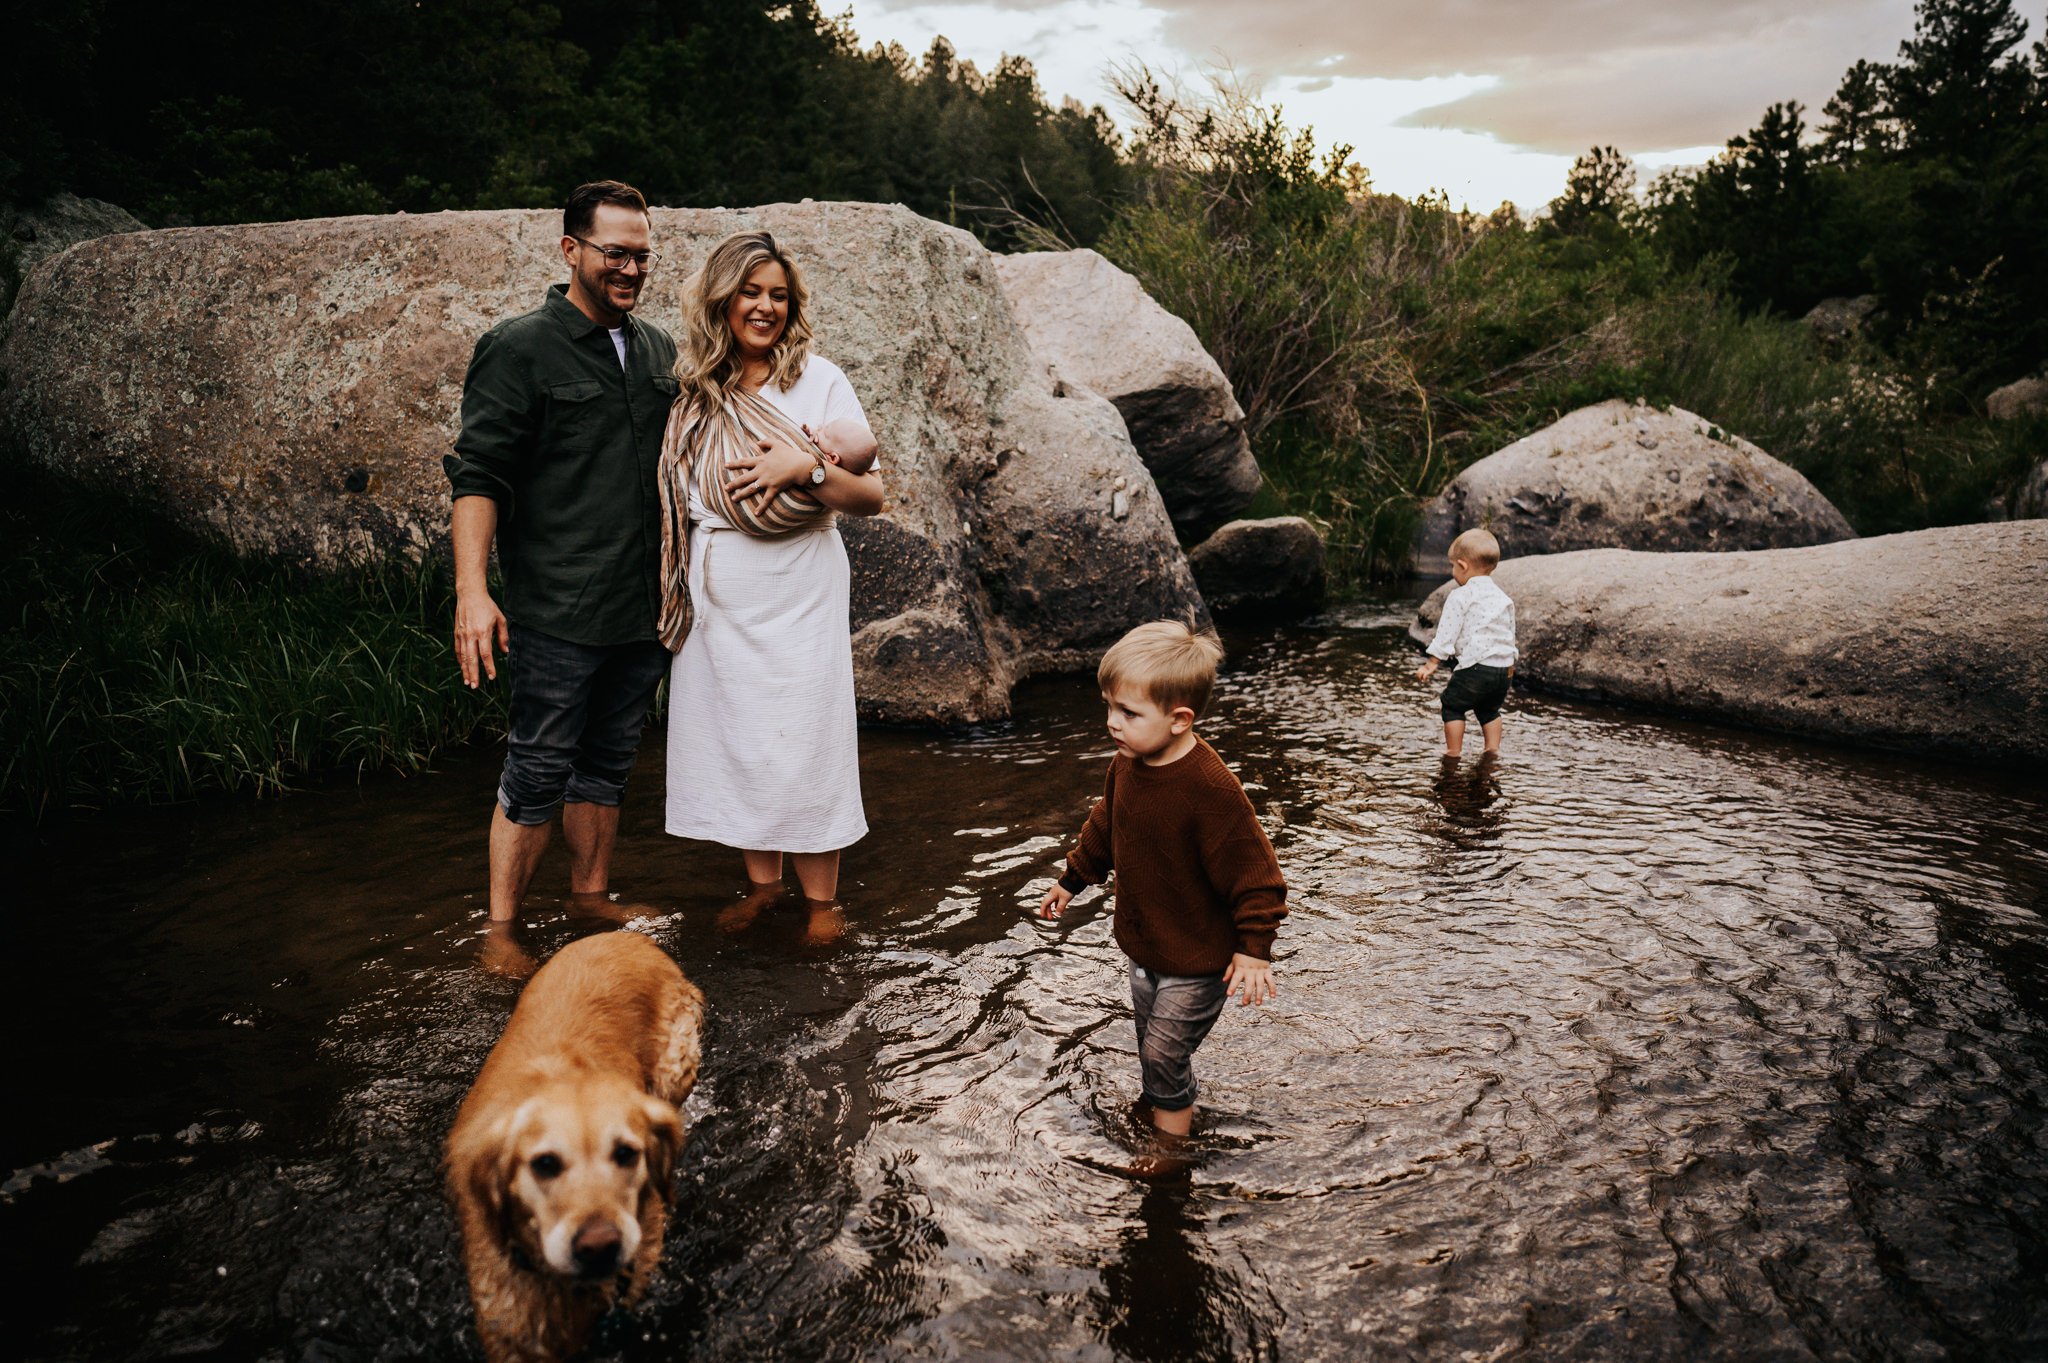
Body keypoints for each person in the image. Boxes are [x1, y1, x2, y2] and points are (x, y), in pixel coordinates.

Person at [444, 180, 680, 935]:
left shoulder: (657, 349)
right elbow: (479, 476)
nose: (632, 269)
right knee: (538, 769)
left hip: (639, 610)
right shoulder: (517, 349)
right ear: (571, 249)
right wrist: (473, 594)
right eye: (616, 253)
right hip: (555, 612)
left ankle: (588, 898)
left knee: (608, 765)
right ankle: (502, 932)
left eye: (642, 255)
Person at [657, 231, 885, 934]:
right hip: (721, 593)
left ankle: (823, 902)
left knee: (807, 736)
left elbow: (871, 495)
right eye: (750, 293)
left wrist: (805, 471)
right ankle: (764, 886)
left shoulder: (819, 379)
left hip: (800, 584)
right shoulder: (696, 389)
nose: (765, 308)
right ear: (721, 299)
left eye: (778, 296)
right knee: (743, 739)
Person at [1038, 621, 1287, 1165]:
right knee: (1152, 1045)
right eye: (1109, 707)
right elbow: (1107, 824)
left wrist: (1253, 949)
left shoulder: (1210, 789)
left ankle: (1172, 1149)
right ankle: (1165, 1103)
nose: (1112, 724)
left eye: (1128, 713)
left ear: (1179, 720)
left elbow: (1257, 874)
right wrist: (1071, 879)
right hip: (1147, 946)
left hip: (1200, 958)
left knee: (1164, 1052)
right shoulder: (1126, 764)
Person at [1414, 527, 1518, 756]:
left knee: (1452, 704)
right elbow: (1510, 632)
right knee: (1490, 709)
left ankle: (1453, 753)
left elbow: (1447, 634)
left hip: (1477, 666)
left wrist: (1431, 663)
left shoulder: (1460, 596)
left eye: (1453, 565)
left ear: (1463, 566)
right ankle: (1492, 751)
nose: (1453, 571)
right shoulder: (1503, 597)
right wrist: (1510, 664)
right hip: (1504, 669)